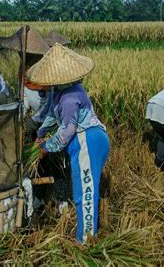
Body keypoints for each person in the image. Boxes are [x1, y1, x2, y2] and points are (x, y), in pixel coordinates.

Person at [27, 44, 110, 243]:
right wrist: (41, 132)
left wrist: (46, 147)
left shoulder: (70, 98)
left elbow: (66, 131)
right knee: (81, 189)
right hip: (83, 141)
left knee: (86, 194)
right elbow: (50, 116)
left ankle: (87, 242)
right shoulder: (60, 91)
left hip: (87, 140)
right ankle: (86, 235)